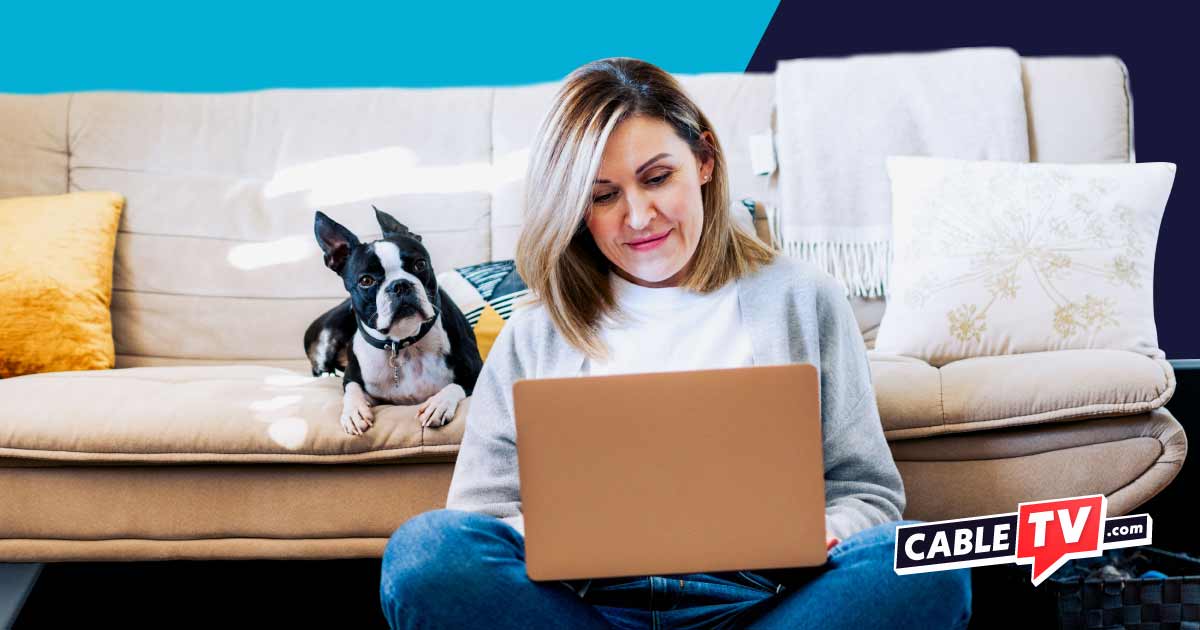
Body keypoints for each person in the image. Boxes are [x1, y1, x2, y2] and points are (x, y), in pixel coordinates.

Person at [379, 57, 972, 629]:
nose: (638, 216)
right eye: (603, 195)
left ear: (704, 160)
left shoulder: (803, 298)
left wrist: (830, 530)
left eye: (657, 178)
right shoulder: (536, 330)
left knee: (922, 563)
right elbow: (480, 514)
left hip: (766, 602)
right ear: (576, 208)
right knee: (425, 553)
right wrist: (546, 536)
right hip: (586, 608)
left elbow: (865, 489)